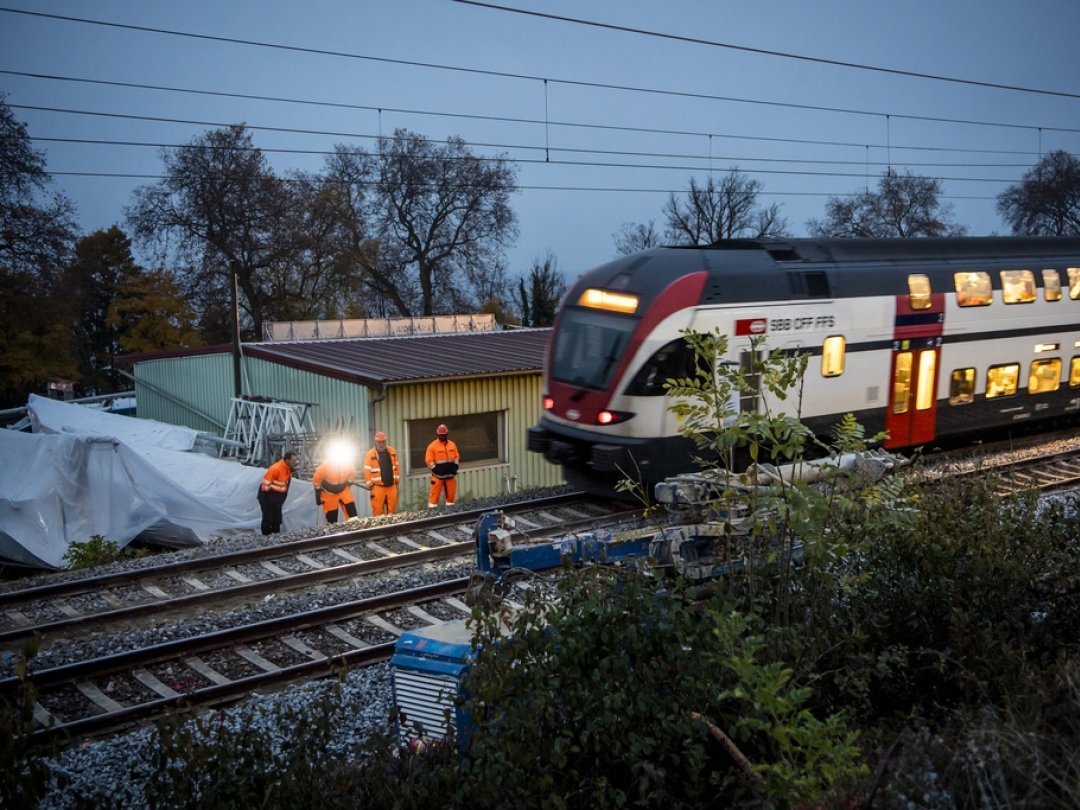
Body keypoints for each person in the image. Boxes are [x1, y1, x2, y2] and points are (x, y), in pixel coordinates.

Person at [313, 453, 364, 524]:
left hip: (343, 490)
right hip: (329, 493)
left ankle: (354, 528)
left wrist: (349, 483)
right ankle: (333, 531)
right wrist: (318, 492)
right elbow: (317, 479)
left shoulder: (347, 464)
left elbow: (352, 474)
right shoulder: (325, 465)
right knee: (331, 519)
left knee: (352, 513)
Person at [258, 450, 299, 535]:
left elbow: (285, 485)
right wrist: (271, 501)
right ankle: (266, 538)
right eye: (294, 460)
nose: (296, 462)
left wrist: (280, 500)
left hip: (277, 498)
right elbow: (265, 487)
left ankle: (275, 538)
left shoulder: (287, 469)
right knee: (268, 519)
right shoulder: (276, 469)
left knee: (277, 520)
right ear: (287, 460)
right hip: (268, 497)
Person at [363, 431, 401, 515]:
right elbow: (367, 471)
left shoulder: (392, 451)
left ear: (385, 441)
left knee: (391, 511)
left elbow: (396, 467)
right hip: (377, 487)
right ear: (375, 442)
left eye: (383, 442)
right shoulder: (370, 454)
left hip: (391, 486)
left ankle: (391, 527)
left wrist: (396, 482)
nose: (381, 444)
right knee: (377, 512)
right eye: (379, 442)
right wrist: (370, 485)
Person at [425, 423, 460, 508]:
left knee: (451, 498)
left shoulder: (452, 444)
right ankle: (432, 513)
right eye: (440, 435)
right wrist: (435, 469)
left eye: (444, 435)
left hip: (450, 476)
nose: (442, 436)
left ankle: (450, 512)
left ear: (447, 434)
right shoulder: (432, 446)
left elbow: (456, 457)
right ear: (438, 435)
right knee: (433, 498)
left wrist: (455, 467)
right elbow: (428, 460)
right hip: (437, 476)